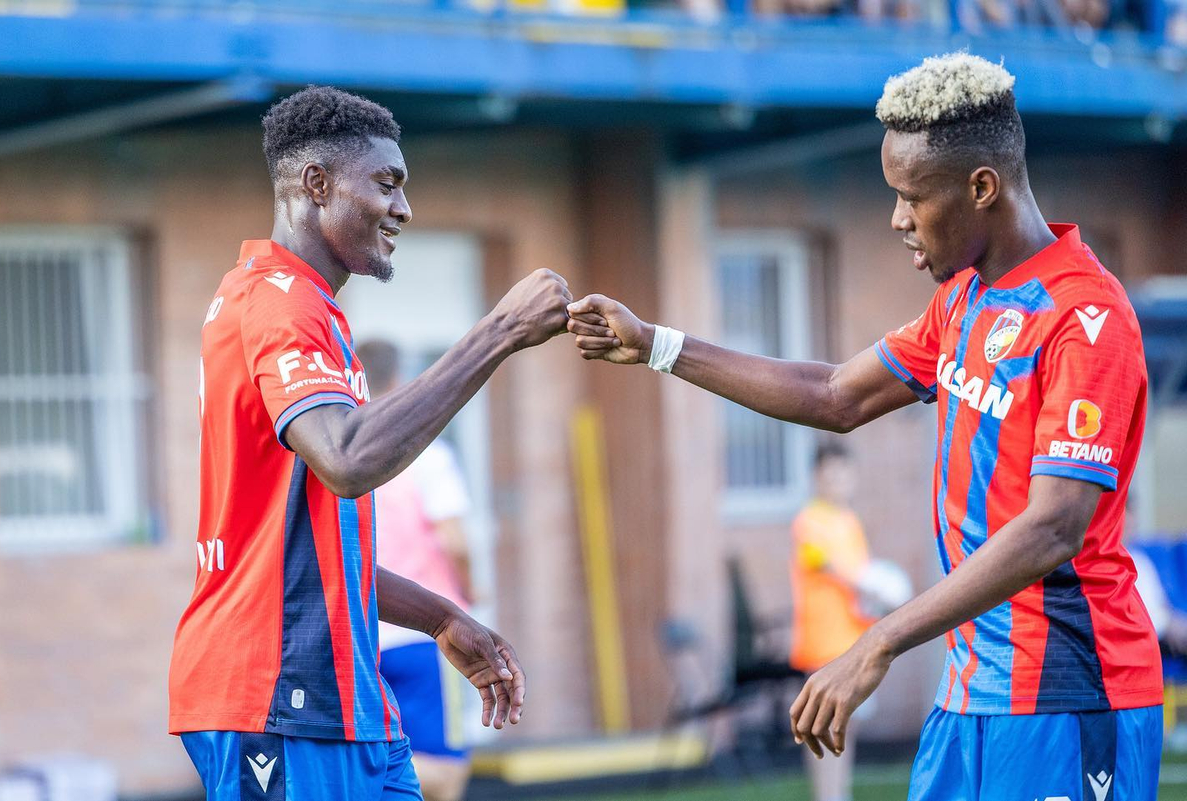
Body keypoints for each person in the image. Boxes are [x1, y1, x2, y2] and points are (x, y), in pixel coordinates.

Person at [568, 53, 1163, 799]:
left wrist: (877, 640)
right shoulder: (962, 301)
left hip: (1068, 694)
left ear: (982, 188)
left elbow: (1052, 530)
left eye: (912, 197)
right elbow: (834, 395)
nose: (897, 220)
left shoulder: (1087, 318)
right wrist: (657, 344)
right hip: (970, 694)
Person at [168, 86, 572, 799]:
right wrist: (498, 332)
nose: (403, 208)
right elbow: (348, 460)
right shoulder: (279, 303)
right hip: (281, 695)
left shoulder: (305, 309)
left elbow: (309, 550)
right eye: (387, 183)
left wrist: (441, 616)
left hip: (343, 696)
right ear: (316, 184)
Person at [360, 339, 480, 801]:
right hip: (426, 634)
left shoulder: (343, 455)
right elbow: (454, 540)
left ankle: (355, 769)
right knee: (446, 775)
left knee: (389, 751)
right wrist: (471, 591)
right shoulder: (426, 455)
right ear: (398, 382)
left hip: (365, 636)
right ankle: (350, 775)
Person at [789, 443, 873, 801]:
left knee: (844, 726)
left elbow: (861, 582)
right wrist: (880, 586)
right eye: (829, 473)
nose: (837, 480)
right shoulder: (809, 522)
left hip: (851, 639)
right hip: (823, 642)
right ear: (816, 478)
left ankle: (840, 793)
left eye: (843, 472)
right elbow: (828, 566)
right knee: (823, 727)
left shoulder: (850, 522)